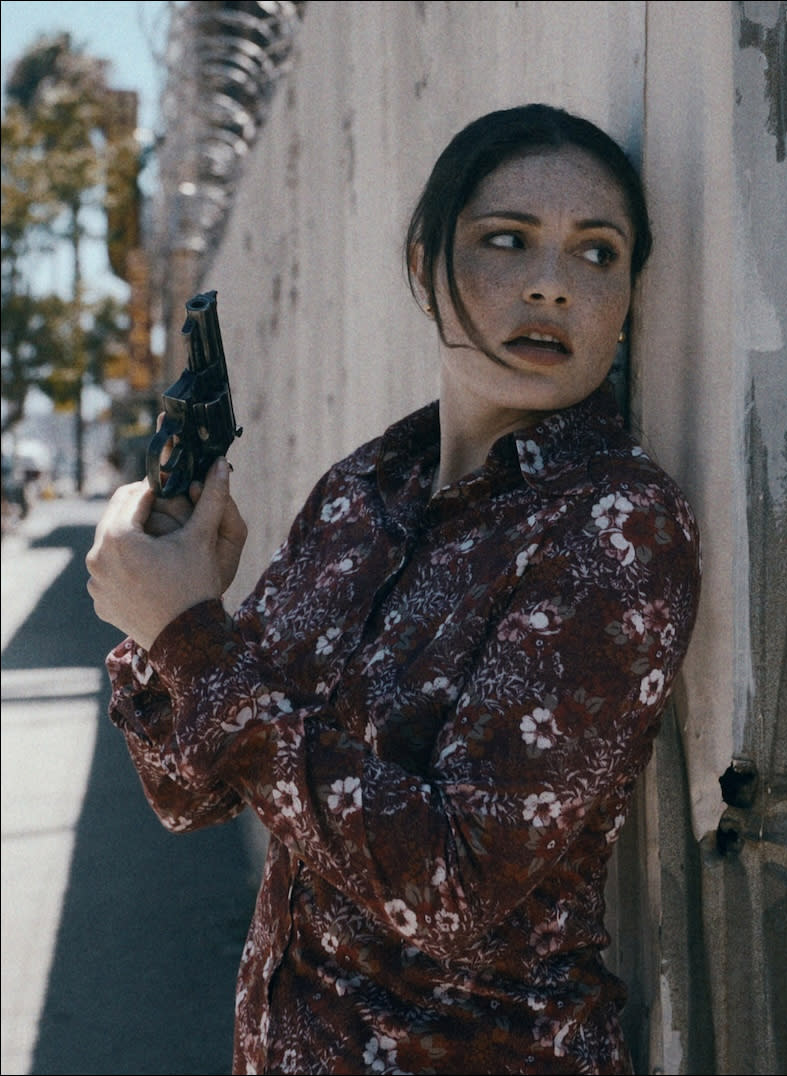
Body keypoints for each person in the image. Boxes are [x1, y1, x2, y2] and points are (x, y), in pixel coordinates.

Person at [86, 103, 701, 1075]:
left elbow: (453, 884)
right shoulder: (365, 490)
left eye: (598, 253)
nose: (553, 283)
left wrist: (194, 634)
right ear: (426, 266)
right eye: (508, 241)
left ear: (628, 296)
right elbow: (187, 789)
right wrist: (165, 614)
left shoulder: (615, 527)